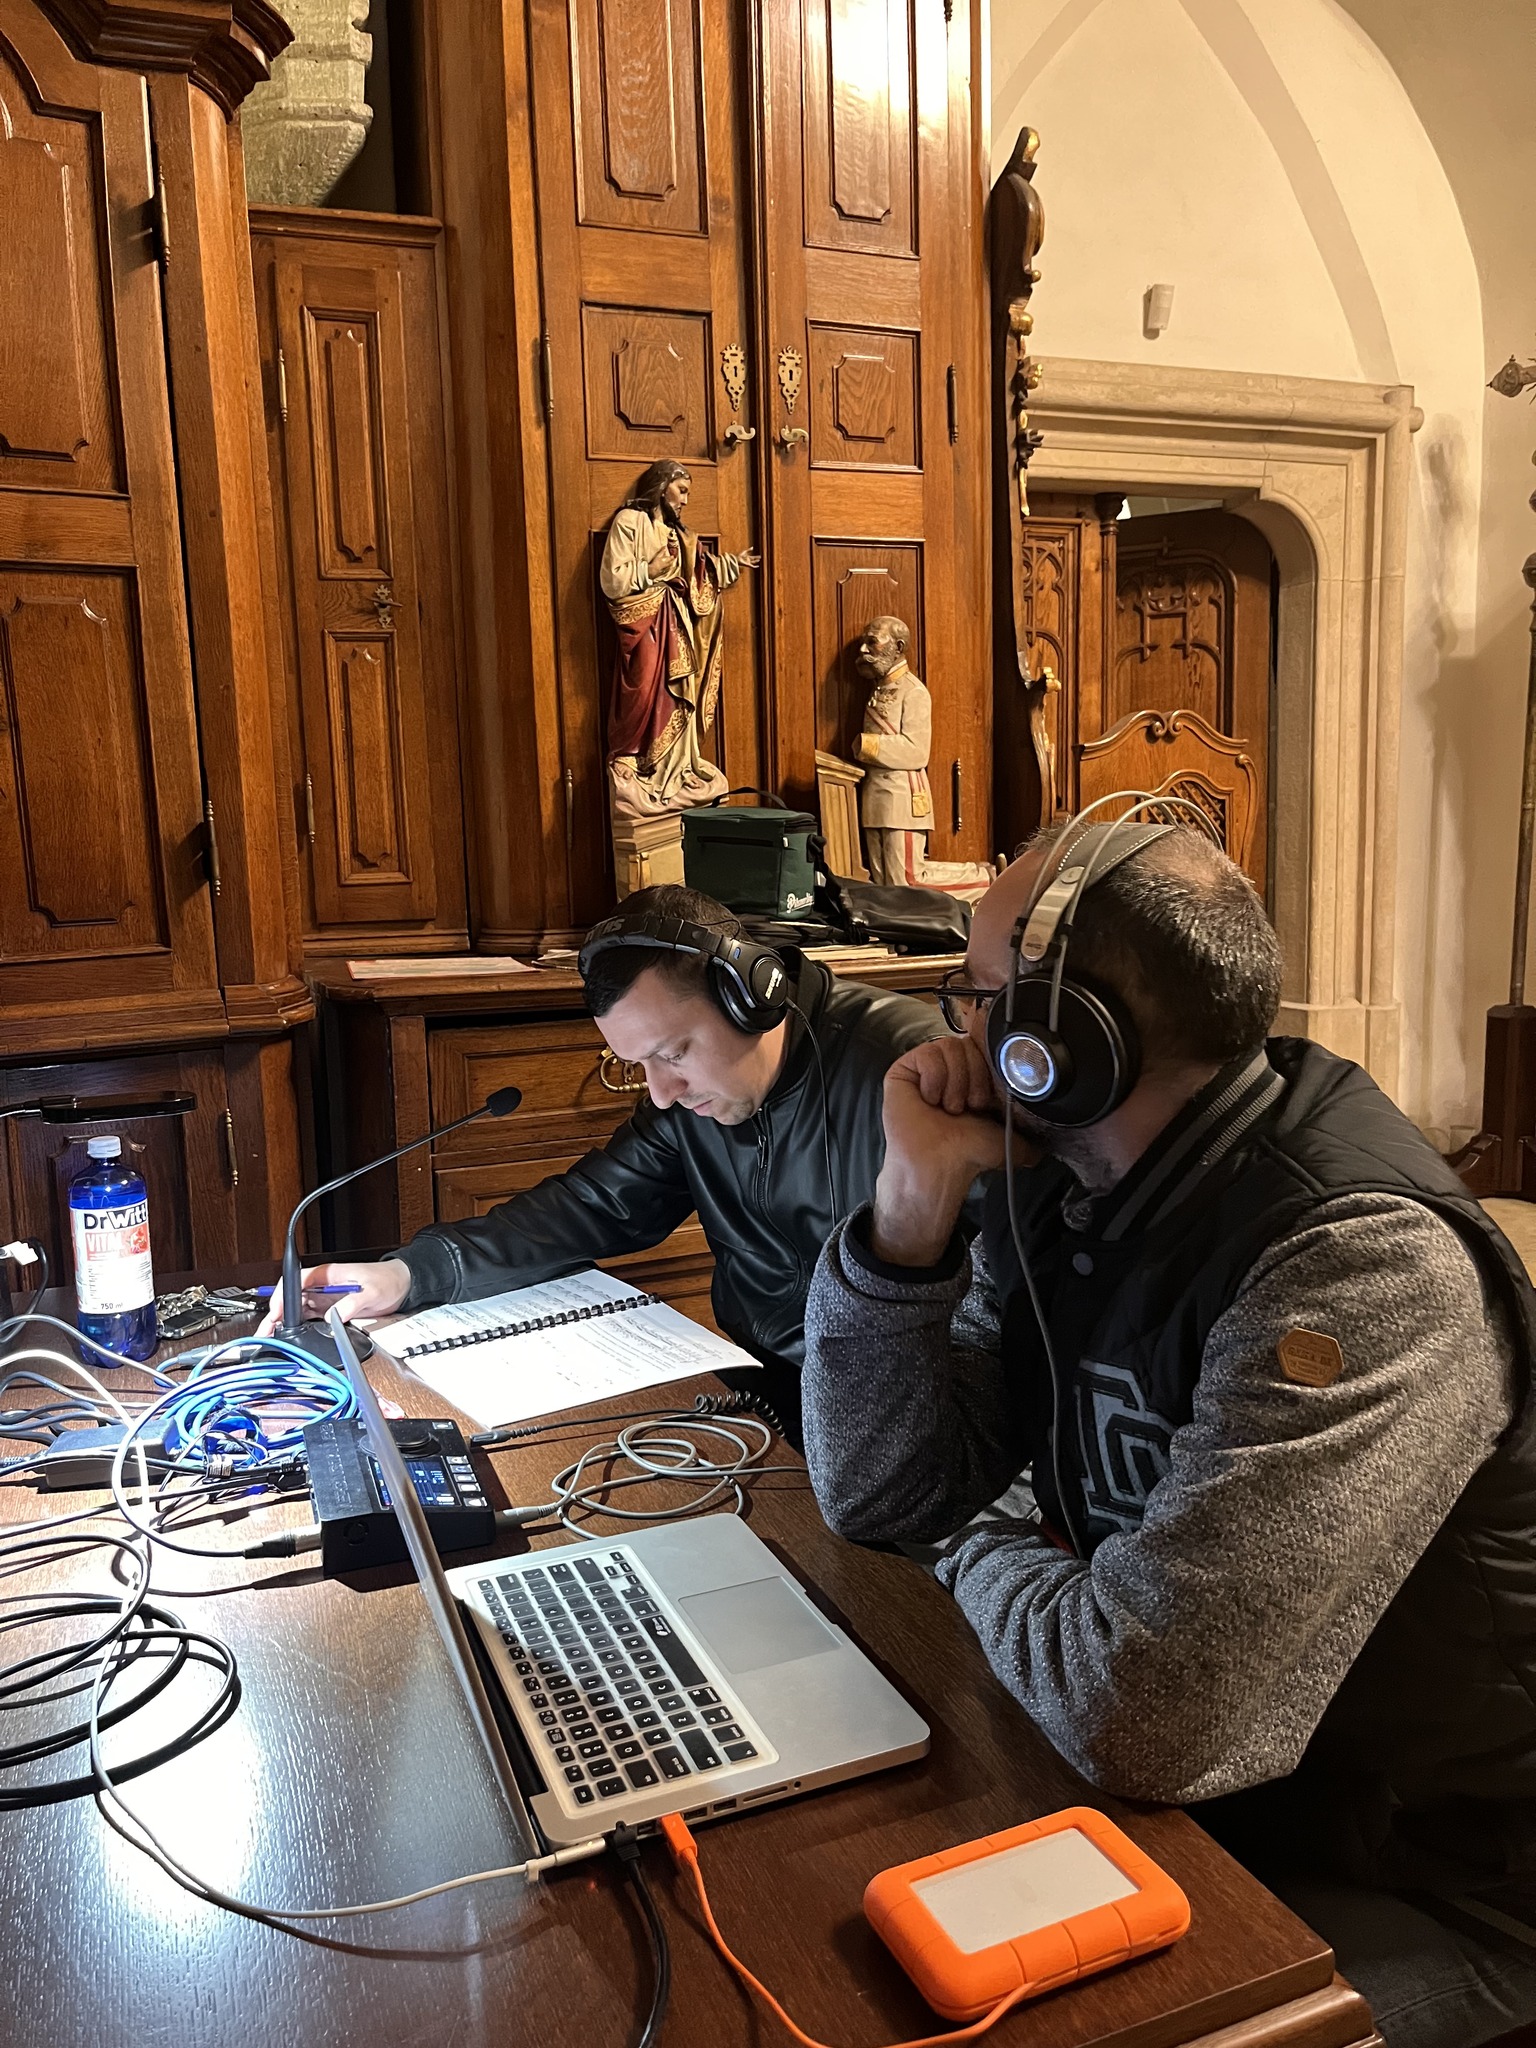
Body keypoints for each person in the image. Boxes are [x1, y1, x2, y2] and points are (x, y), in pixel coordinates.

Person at [800, 812, 1536, 2048]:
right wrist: (909, 1211)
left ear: (1058, 1042)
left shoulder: (1358, 1261)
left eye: (972, 997)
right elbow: (880, 1492)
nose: (952, 1034)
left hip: (1440, 1874)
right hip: (1235, 1802)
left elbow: (1142, 1710)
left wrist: (974, 1544)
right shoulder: (1067, 1185)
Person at [266, 884, 942, 1440]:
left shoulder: (907, 1072)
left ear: (750, 995)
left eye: (673, 1053)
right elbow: (588, 1207)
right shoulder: (691, 1103)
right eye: (640, 1064)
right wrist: (409, 1273)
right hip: (763, 1392)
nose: (661, 1092)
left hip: (897, 1418)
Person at [599, 460, 759, 819]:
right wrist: (650, 570)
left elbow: (701, 567)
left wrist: (731, 564)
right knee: (642, 687)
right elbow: (612, 579)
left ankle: (675, 767)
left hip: (676, 622)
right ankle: (631, 759)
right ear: (661, 486)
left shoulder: (679, 535)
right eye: (681, 490)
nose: (685, 500)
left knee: (678, 691)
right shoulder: (630, 522)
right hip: (644, 622)